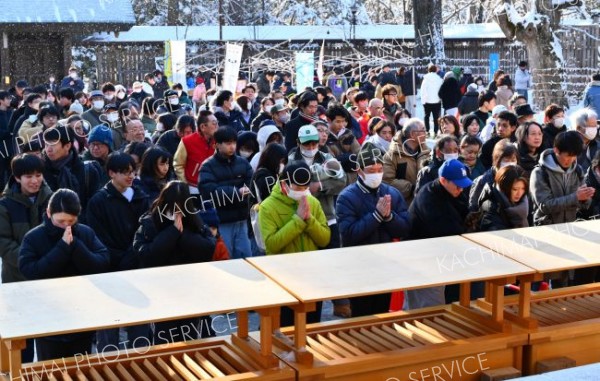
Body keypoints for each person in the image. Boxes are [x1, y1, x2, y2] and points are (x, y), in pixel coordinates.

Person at [19, 189, 109, 360]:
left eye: (71, 221)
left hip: (82, 315)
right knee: (51, 369)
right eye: (60, 221)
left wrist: (76, 246)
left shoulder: (85, 232)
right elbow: (30, 271)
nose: (66, 226)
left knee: (80, 368)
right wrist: (62, 248)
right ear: (48, 213)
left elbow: (102, 262)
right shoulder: (33, 237)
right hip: (48, 319)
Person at [133, 181, 216, 344]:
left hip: (191, 291)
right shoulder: (150, 221)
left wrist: (183, 234)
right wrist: (171, 233)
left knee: (191, 338)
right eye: (172, 206)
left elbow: (208, 248)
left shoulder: (194, 220)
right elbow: (144, 254)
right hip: (161, 293)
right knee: (164, 339)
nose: (176, 212)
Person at [86, 152, 150, 351]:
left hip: (136, 266)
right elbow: (97, 238)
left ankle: (141, 360)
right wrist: (121, 258)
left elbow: (146, 230)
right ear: (111, 173)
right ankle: (108, 366)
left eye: (132, 171)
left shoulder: (141, 195)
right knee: (109, 323)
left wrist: (133, 256)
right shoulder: (98, 201)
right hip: (108, 269)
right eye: (124, 172)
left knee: (140, 321)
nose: (130, 176)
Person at [337, 143, 410, 317]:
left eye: (379, 169)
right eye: (371, 170)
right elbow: (349, 234)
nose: (376, 174)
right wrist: (376, 215)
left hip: (385, 265)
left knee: (382, 312)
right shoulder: (346, 197)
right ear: (359, 171)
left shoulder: (392, 193)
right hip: (358, 268)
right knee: (361, 315)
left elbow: (405, 228)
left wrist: (389, 217)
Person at [258, 160, 330, 326]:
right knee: (285, 328)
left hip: (312, 277)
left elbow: (325, 239)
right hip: (283, 278)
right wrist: (297, 220)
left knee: (311, 327)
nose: (303, 192)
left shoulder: (313, 202)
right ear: (284, 184)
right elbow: (272, 245)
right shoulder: (268, 207)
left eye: (305, 188)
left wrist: (309, 219)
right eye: (298, 188)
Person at [0, 154, 52, 362]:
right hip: (17, 279)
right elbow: (3, 242)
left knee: (50, 336)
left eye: (38, 175)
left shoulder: (52, 199)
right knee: (23, 341)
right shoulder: (5, 205)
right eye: (28, 176)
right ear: (17, 178)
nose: (35, 180)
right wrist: (29, 263)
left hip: (49, 278)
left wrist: (50, 261)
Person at [406, 159, 471, 309]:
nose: (461, 189)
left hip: (443, 258)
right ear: (443, 180)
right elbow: (447, 231)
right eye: (457, 185)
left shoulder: (454, 192)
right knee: (428, 307)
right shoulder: (428, 197)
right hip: (423, 260)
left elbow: (464, 212)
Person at [198, 127, 253, 259]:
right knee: (225, 258)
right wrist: (236, 192)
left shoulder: (243, 163)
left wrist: (248, 191)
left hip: (241, 219)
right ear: (217, 144)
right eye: (228, 143)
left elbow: (252, 182)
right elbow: (209, 191)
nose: (232, 146)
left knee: (246, 258)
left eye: (234, 143)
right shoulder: (207, 166)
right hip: (222, 221)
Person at [41, 126, 101, 220]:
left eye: (52, 144)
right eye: (46, 144)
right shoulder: (40, 172)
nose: (48, 149)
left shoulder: (87, 171)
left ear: (67, 146)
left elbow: (94, 207)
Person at [383, 118, 429, 205]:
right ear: (412, 134)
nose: (426, 133)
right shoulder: (392, 155)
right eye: (423, 130)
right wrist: (412, 188)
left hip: (423, 204)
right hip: (402, 205)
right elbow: (387, 181)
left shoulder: (427, 152)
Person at [173, 111, 217, 193]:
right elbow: (178, 164)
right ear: (203, 126)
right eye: (214, 123)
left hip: (213, 185)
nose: (217, 126)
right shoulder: (187, 141)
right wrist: (185, 184)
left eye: (217, 123)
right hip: (192, 187)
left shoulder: (219, 141)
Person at [469, 139, 518, 211]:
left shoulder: (520, 180)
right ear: (496, 160)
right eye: (506, 160)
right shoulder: (482, 181)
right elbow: (474, 209)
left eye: (513, 160)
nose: (510, 163)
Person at [478, 165, 529, 231]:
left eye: (523, 188)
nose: (520, 193)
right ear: (504, 188)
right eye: (515, 189)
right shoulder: (491, 207)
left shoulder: (523, 201)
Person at [571, 108, 599, 172]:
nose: (594, 129)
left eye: (595, 126)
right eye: (591, 126)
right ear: (578, 127)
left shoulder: (597, 146)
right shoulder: (567, 144)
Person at [420, 65, 444, 136]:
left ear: (428, 70)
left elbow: (423, 90)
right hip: (437, 101)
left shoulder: (426, 79)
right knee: (436, 117)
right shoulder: (439, 79)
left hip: (427, 101)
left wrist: (423, 100)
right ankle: (436, 131)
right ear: (436, 70)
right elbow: (441, 90)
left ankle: (427, 130)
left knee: (426, 116)